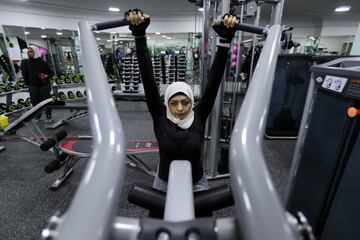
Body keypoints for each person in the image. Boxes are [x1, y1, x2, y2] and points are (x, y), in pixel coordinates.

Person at [126, 9, 239, 192]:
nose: (180, 108)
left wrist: (224, 43)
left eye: (185, 102)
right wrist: (139, 37)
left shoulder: (199, 116)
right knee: (155, 221)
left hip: (196, 184)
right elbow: (148, 79)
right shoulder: (160, 117)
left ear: (192, 103)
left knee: (204, 220)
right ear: (167, 104)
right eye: (174, 103)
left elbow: (213, 82)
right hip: (163, 183)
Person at [21, 45, 53, 123]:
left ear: (36, 52)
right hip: (33, 86)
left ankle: (49, 116)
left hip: (44, 86)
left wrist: (46, 76)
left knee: (46, 102)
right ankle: (38, 116)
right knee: (35, 102)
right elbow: (25, 74)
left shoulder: (43, 63)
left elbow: (51, 73)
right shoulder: (26, 62)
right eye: (28, 51)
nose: (29, 53)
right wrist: (27, 84)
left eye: (31, 51)